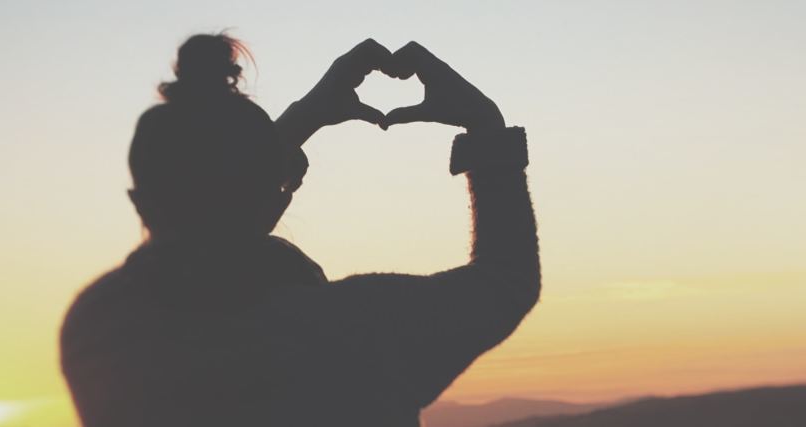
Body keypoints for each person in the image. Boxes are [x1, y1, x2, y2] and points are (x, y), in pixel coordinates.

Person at [59, 33, 540, 427]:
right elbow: (506, 279)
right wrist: (484, 125)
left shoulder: (99, 331)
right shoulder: (360, 331)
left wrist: (288, 133)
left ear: (141, 204)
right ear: (273, 197)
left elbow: (210, 227)